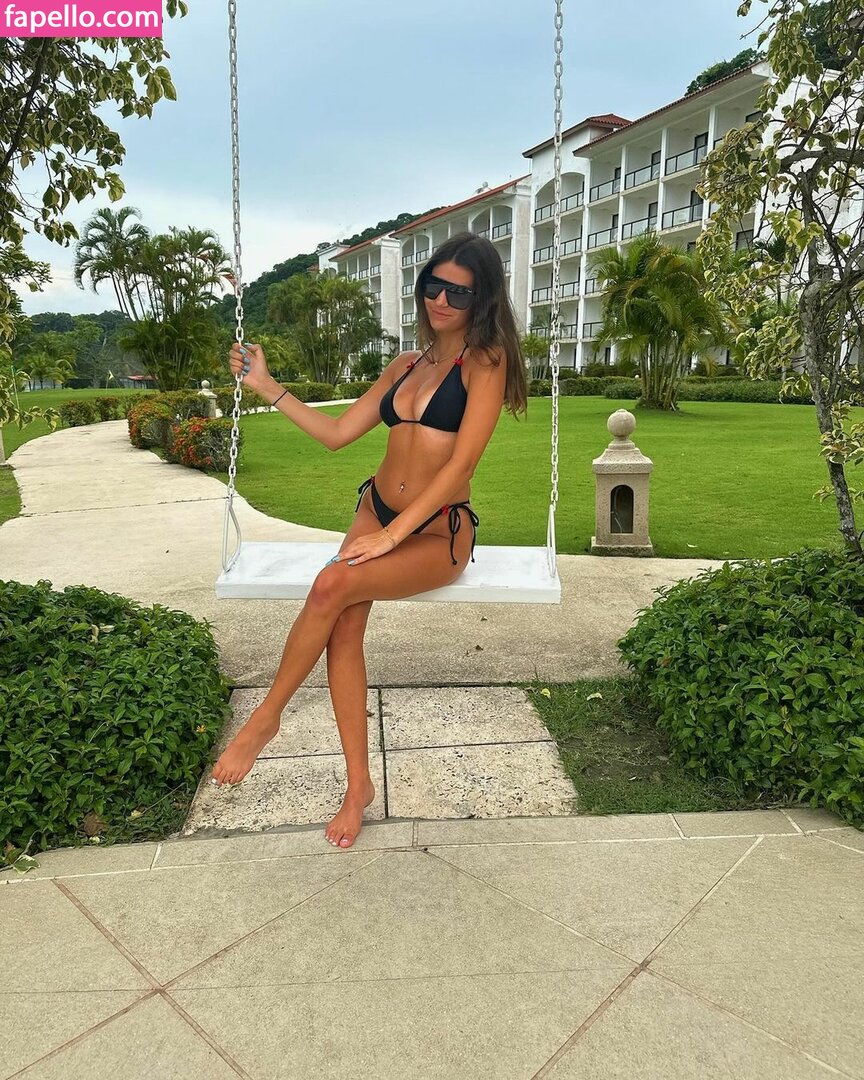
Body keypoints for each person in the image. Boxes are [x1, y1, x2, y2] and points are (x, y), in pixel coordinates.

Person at [210, 231, 528, 848]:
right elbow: (337, 435)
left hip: (436, 530)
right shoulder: (405, 365)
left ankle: (267, 718)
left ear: (482, 299)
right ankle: (359, 787)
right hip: (375, 508)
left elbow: (460, 467)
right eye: (433, 286)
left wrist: (391, 537)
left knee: (331, 584)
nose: (441, 300)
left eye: (459, 293)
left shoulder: (485, 362)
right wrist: (267, 386)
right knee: (342, 625)